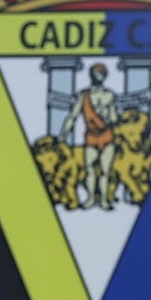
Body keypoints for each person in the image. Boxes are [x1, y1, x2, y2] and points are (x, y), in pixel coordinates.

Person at [59, 62, 119, 210]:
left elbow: (114, 118)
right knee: (90, 169)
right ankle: (91, 198)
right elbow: (73, 116)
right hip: (91, 137)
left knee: (105, 171)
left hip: (107, 136)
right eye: (94, 73)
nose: (96, 76)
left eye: (99, 73)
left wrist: (107, 116)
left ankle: (104, 201)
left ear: (104, 76)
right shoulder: (84, 95)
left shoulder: (109, 95)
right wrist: (64, 133)